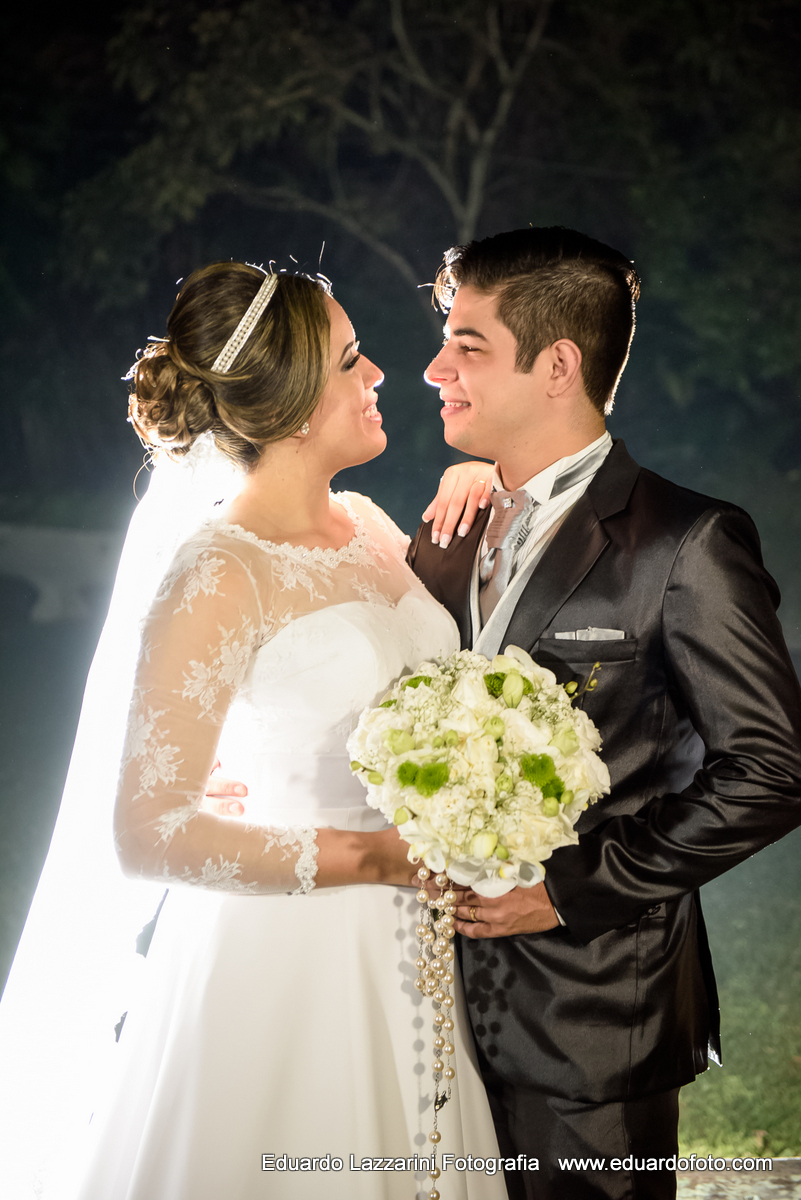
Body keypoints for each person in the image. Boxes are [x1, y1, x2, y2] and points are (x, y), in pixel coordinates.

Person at [0, 261, 508, 1200]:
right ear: (291, 405)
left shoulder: (366, 526)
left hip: (413, 940)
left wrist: (492, 481)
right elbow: (147, 833)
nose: (377, 376)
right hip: (282, 956)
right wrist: (376, 858)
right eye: (352, 361)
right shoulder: (217, 575)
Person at [404, 226, 801, 1200]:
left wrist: (569, 889)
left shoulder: (684, 543)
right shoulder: (452, 527)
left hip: (590, 1021)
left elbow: (772, 769)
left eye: (467, 346)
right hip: (422, 1008)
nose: (432, 369)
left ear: (558, 365)